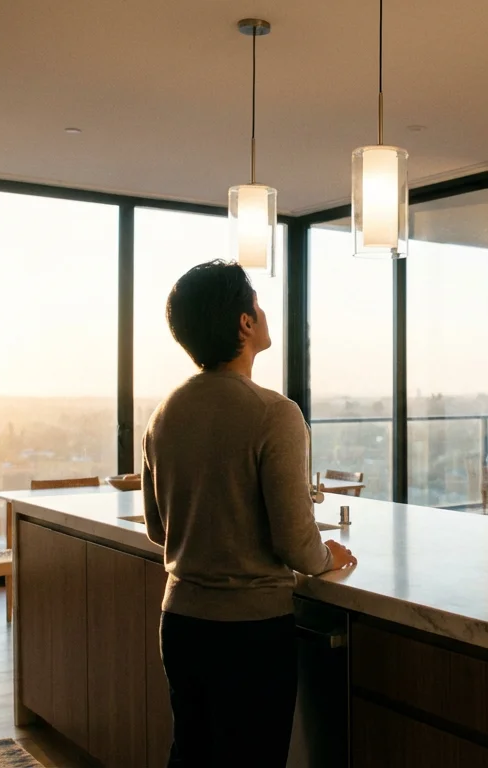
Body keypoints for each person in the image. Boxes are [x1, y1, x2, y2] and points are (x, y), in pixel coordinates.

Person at [142, 259, 356, 767]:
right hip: (250, 632)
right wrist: (328, 557)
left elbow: (157, 528)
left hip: (180, 623)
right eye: (257, 304)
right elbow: (296, 544)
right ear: (244, 322)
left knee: (191, 755)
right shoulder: (274, 413)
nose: (262, 312)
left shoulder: (164, 413)